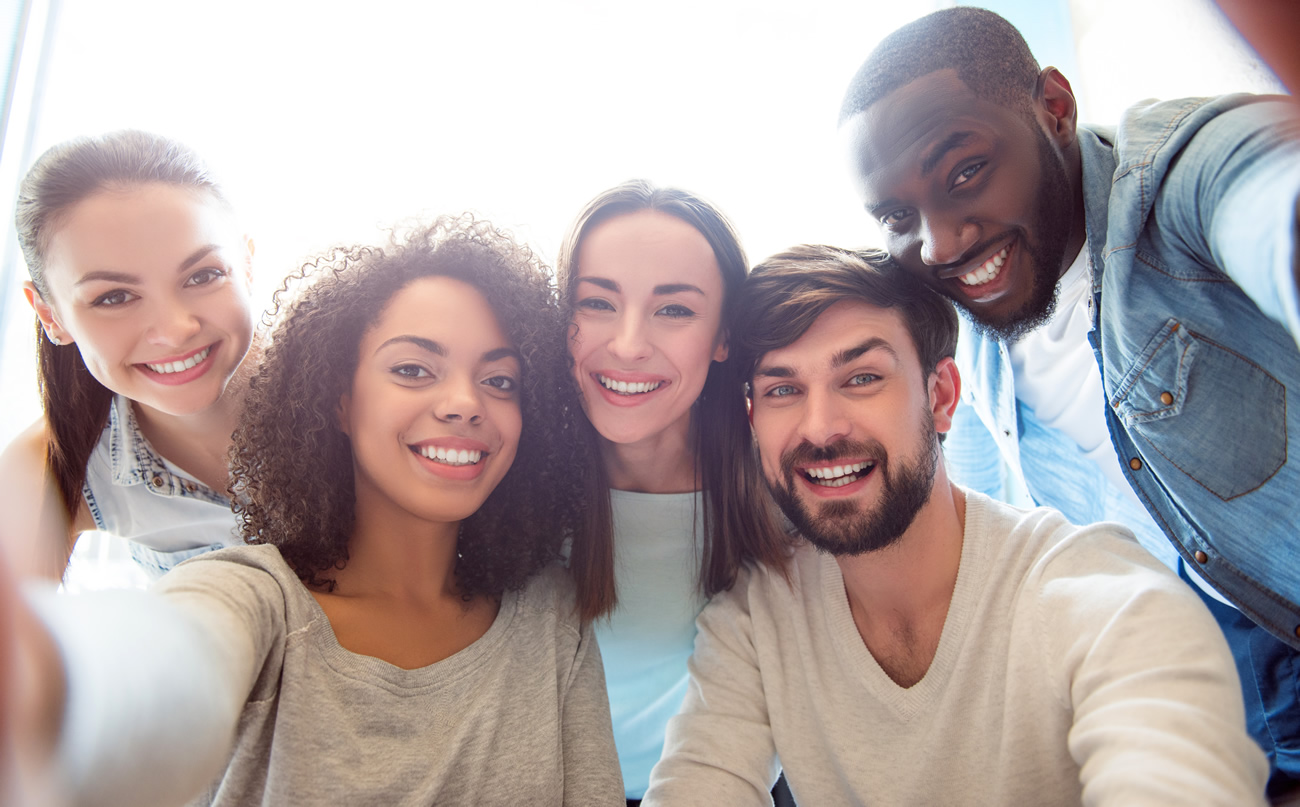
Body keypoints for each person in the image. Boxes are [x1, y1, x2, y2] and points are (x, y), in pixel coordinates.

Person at [836, 7, 1300, 792]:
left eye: (964, 172)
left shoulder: (1178, 181)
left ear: (1054, 109)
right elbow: (976, 521)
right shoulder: (969, 341)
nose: (942, 244)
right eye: (899, 218)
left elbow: (1265, 199)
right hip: (1206, 663)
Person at [6, 216, 623, 806]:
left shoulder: (551, 617)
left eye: (500, 381)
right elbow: (173, 662)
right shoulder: (253, 595)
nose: (464, 402)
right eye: (413, 370)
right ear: (339, 402)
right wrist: (69, 694)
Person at [643, 244, 1268, 806]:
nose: (820, 428)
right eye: (782, 390)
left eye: (862, 378)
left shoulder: (1105, 601)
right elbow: (701, 779)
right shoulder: (756, 620)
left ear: (941, 396)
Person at [556, 180, 788, 803]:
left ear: (722, 339)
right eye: (597, 303)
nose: (628, 344)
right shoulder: (507, 478)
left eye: (675, 310)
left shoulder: (778, 484)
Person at [0, 130, 258, 580]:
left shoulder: (367, 385)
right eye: (115, 297)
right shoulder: (50, 464)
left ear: (247, 264)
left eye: (203, 275)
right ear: (50, 314)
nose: (176, 330)